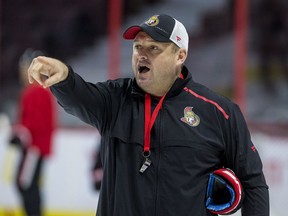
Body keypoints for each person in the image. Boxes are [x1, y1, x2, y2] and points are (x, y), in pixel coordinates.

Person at [27, 14, 269, 216]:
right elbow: (80, 96)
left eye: (154, 48)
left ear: (180, 56)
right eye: (137, 47)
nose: (142, 54)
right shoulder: (115, 100)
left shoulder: (219, 112)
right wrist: (64, 78)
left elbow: (253, 182)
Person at [10, 49, 56, 216]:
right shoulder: (41, 91)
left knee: (25, 184)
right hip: (37, 147)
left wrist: (19, 134)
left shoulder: (35, 91)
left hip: (33, 147)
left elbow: (33, 124)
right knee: (29, 185)